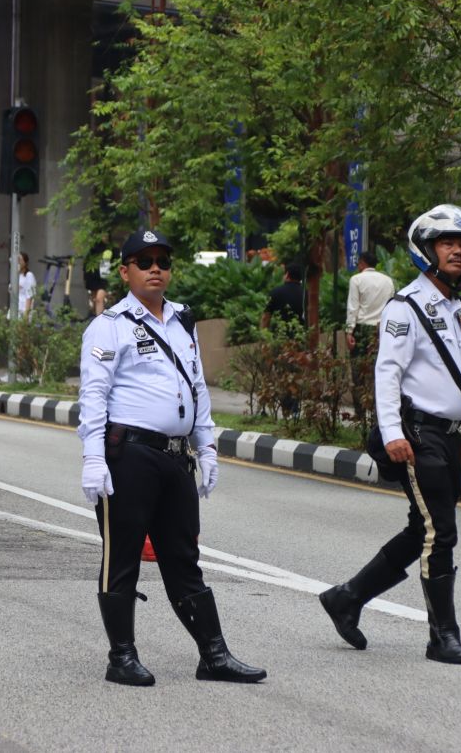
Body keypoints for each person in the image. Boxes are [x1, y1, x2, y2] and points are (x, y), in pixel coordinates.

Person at [78, 227, 266, 687]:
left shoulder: (183, 320)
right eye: (144, 262)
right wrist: (93, 457)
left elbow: (197, 386)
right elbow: (93, 396)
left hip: (176, 457)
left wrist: (207, 446)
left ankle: (214, 655)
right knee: (121, 557)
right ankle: (121, 657)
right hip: (130, 457)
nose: (155, 269)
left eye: (162, 261)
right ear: (125, 272)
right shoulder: (109, 325)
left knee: (184, 558)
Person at [319, 204, 461, 666]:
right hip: (418, 434)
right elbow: (387, 372)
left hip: (447, 437)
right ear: (426, 250)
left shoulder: (457, 308)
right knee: (440, 532)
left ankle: (347, 598)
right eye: (447, 243)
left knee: (423, 528)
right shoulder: (405, 307)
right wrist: (392, 432)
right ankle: (442, 636)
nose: (457, 251)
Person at [345, 250, 396, 419]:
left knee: (357, 370)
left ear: (362, 263)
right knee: (379, 370)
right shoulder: (388, 281)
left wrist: (349, 331)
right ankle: (377, 412)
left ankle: (360, 412)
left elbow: (353, 307)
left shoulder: (356, 280)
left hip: (362, 329)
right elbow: (391, 306)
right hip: (381, 330)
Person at [260, 262, 305, 330]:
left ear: (287, 275)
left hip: (280, 334)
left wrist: (263, 333)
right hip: (302, 334)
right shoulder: (306, 294)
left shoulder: (275, 292)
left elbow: (265, 317)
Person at [83, 242, 112, 317]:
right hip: (93, 277)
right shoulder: (92, 250)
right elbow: (86, 266)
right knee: (95, 301)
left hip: (105, 278)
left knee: (99, 299)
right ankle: (97, 318)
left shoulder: (111, 248)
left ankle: (99, 320)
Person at [18, 252, 37, 318]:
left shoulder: (29, 275)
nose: (18, 262)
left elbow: (30, 296)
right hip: (15, 310)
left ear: (25, 262)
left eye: (20, 260)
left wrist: (26, 315)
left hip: (23, 311)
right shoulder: (17, 276)